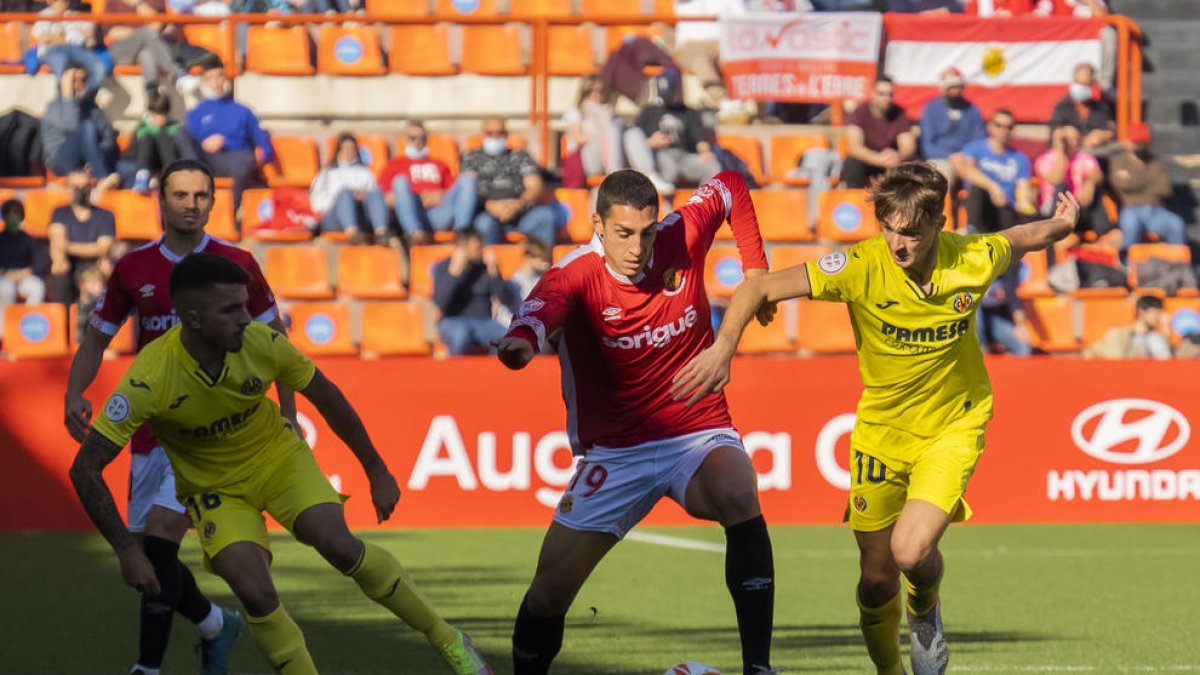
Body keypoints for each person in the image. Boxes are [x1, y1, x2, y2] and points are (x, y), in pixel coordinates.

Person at [671, 163, 1080, 675]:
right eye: (888, 228)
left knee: (911, 552)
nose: (896, 243)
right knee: (876, 578)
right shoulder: (859, 265)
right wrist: (722, 350)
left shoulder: (973, 257)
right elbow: (758, 290)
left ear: (939, 222)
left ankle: (925, 608)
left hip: (953, 424)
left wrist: (1062, 225)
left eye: (910, 232)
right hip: (881, 434)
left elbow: (1021, 237)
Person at [69, 252, 493, 675]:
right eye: (231, 309)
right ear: (194, 319)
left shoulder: (262, 342)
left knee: (337, 544)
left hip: (278, 460)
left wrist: (376, 470)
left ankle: (449, 640)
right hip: (214, 489)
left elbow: (328, 397)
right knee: (255, 592)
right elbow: (85, 468)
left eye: (245, 305)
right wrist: (127, 550)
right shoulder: (151, 377)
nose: (245, 317)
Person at [496, 169, 779, 675]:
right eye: (624, 234)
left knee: (739, 493)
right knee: (547, 595)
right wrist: (521, 344)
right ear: (598, 226)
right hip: (615, 451)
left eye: (646, 232)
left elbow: (731, 183)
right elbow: (536, 316)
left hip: (696, 429)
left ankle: (758, 668)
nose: (638, 246)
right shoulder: (574, 274)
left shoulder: (682, 233)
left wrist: (755, 271)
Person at [62, 160, 295, 675]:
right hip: (151, 431)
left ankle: (147, 667)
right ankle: (213, 623)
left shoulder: (237, 263)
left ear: (214, 202)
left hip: (213, 433)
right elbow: (98, 336)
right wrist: (74, 391)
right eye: (180, 195)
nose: (191, 205)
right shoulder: (133, 268)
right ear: (160, 201)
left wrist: (291, 412)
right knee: (151, 556)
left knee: (162, 541)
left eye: (201, 196)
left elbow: (277, 342)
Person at [185, 58, 274, 212]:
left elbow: (263, 141)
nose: (216, 82)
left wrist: (262, 154)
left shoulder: (243, 111)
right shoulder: (195, 113)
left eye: (219, 76)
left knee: (243, 159)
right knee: (180, 136)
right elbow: (188, 142)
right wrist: (204, 145)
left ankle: (229, 214)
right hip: (204, 160)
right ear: (203, 82)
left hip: (233, 158)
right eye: (210, 78)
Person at [461, 116, 558, 246]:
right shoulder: (470, 158)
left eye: (500, 133)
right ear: (482, 134)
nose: (495, 137)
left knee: (545, 216)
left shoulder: (520, 156)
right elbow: (467, 189)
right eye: (490, 133)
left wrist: (519, 203)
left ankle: (544, 264)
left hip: (521, 213)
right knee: (483, 225)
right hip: (487, 213)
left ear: (506, 134)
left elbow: (535, 185)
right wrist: (488, 205)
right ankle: (485, 265)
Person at [378, 119, 477, 245]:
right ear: (405, 140)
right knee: (400, 181)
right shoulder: (394, 165)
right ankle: (414, 233)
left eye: (422, 138)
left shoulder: (440, 164)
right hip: (412, 212)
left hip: (439, 214)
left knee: (467, 179)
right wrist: (415, 197)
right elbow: (382, 198)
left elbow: (455, 193)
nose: (418, 142)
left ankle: (463, 235)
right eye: (413, 138)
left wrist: (441, 194)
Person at [625, 68, 721, 195]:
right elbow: (633, 141)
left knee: (712, 167)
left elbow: (700, 140)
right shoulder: (648, 111)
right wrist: (650, 143)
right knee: (669, 170)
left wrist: (705, 152)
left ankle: (703, 206)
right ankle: (664, 205)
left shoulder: (689, 112)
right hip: (658, 155)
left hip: (683, 156)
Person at [432, 228, 518, 356]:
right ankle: (455, 373)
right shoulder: (443, 266)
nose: (481, 251)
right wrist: (454, 274)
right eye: (478, 248)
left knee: (507, 340)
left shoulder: (485, 267)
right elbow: (440, 303)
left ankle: (496, 374)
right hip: (453, 320)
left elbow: (508, 300)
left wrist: (494, 273)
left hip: (483, 321)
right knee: (460, 336)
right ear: (462, 248)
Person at [952, 109, 1035, 233]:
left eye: (1009, 127)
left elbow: (1023, 189)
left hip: (1005, 209)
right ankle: (971, 229)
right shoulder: (975, 148)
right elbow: (968, 171)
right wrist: (993, 187)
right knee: (977, 187)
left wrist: (1026, 200)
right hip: (980, 207)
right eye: (999, 125)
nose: (1003, 130)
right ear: (990, 126)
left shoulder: (1020, 158)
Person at [1110, 123, 1186, 251]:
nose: (1138, 146)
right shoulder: (1118, 161)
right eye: (1135, 142)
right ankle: (1128, 266)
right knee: (1130, 226)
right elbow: (1119, 185)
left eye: (1141, 142)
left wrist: (1132, 182)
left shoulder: (1157, 162)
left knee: (1176, 224)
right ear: (1128, 141)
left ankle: (1178, 266)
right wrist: (1148, 179)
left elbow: (1164, 189)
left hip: (1156, 211)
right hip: (1131, 209)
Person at [1034, 125, 1113, 242]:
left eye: (1076, 138)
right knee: (1062, 186)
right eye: (1068, 139)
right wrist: (1061, 152)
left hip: (1080, 207)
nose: (1072, 142)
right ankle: (1061, 228)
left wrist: (1090, 182)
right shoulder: (1047, 158)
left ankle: (1104, 233)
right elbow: (1056, 178)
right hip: (1054, 210)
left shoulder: (1083, 156)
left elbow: (1098, 175)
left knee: (1096, 189)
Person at [42, 65, 120, 184]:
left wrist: (95, 158)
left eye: (83, 80)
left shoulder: (93, 109)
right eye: (73, 81)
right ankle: (102, 177)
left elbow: (109, 137)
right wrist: (68, 98)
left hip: (92, 161)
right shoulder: (54, 108)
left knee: (129, 168)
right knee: (86, 127)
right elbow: (71, 125)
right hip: (62, 159)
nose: (78, 85)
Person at [48, 168, 116, 303]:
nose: (80, 191)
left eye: (84, 186)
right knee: (59, 266)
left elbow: (104, 248)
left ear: (91, 188)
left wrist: (68, 246)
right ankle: (64, 319)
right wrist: (91, 249)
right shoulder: (59, 213)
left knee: (106, 267)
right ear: (68, 188)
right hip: (69, 264)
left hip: (94, 264)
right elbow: (57, 242)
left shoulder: (105, 215)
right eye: (75, 187)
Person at [308, 133, 388, 242]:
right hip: (334, 217)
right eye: (344, 149)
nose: (348, 152)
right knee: (345, 193)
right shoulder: (327, 172)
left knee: (375, 192)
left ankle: (381, 233)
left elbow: (375, 199)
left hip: (361, 216)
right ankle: (352, 233)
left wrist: (363, 197)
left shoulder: (366, 173)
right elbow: (317, 202)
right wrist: (344, 199)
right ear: (338, 151)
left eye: (351, 149)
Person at [842, 77, 917, 189]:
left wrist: (899, 156)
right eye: (881, 94)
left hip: (892, 162)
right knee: (852, 163)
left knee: (911, 166)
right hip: (867, 160)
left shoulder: (899, 113)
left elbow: (908, 146)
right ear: (872, 93)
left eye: (890, 94)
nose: (886, 98)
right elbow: (854, 148)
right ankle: (853, 200)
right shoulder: (859, 112)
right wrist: (879, 159)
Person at [117, 91, 195, 193]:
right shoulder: (143, 128)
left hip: (163, 166)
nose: (156, 119)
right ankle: (142, 177)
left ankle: (170, 177)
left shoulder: (174, 129)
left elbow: (182, 154)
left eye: (159, 115)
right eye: (153, 115)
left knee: (161, 136)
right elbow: (132, 152)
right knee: (147, 137)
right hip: (140, 163)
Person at [919, 67, 985, 183]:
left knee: (981, 176)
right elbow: (927, 144)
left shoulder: (972, 110)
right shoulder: (931, 109)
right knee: (944, 178)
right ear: (943, 89)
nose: (956, 91)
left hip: (967, 157)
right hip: (940, 158)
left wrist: (965, 155)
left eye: (959, 87)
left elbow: (980, 139)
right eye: (952, 87)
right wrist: (950, 157)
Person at [561, 75, 626, 187]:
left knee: (631, 133)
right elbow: (578, 138)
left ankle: (645, 172)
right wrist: (599, 125)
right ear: (585, 92)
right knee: (610, 130)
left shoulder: (608, 111)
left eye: (601, 91)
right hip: (587, 157)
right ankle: (616, 175)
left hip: (608, 156)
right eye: (592, 91)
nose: (597, 95)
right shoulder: (576, 111)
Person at [32, 0, 108, 93]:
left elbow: (90, 37)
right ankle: (66, 102)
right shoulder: (43, 16)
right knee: (64, 69)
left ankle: (86, 101)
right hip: (53, 51)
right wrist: (72, 36)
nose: (64, 2)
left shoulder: (75, 14)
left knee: (98, 67)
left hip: (77, 50)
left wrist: (62, 36)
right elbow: (45, 38)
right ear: (49, 2)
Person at [1048, 63, 1116, 153]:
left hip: (1097, 154)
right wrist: (1067, 133)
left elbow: (1110, 130)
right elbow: (1054, 134)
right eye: (1078, 83)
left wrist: (1103, 136)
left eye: (1084, 84)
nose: (1080, 87)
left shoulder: (1101, 107)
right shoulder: (1062, 106)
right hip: (1070, 154)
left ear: (1092, 84)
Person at [1083, 294, 1173, 360]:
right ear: (1141, 312)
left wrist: (1166, 328)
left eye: (1160, 313)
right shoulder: (1118, 334)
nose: (1159, 317)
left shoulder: (1156, 336)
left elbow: (1166, 358)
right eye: (1156, 312)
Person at [0, 199, 46, 309]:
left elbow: (41, 261)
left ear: (21, 217)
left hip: (24, 275)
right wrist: (4, 273)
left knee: (37, 287)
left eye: (16, 214)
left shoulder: (28, 239)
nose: (13, 218)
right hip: (3, 277)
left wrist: (28, 271)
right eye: (9, 214)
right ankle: (6, 324)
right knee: (6, 289)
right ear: (4, 217)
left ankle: (27, 321)